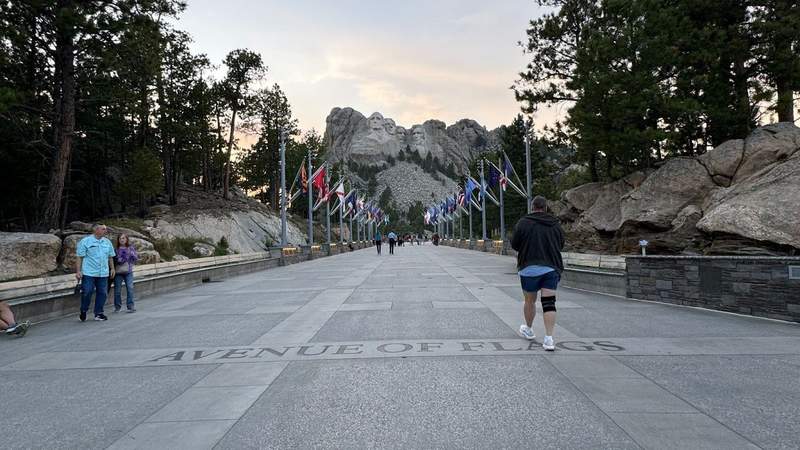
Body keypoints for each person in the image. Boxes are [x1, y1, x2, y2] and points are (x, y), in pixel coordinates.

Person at [510, 196, 565, 351]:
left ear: (532, 207)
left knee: (530, 301)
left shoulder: (523, 223)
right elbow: (561, 244)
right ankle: (549, 339)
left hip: (529, 268)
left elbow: (515, 245)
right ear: (546, 208)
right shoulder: (555, 224)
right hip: (550, 267)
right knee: (549, 303)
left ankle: (528, 328)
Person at [76, 224, 116, 322]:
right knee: (87, 292)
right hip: (89, 273)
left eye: (105, 229)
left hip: (103, 273)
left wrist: (112, 268)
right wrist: (78, 271)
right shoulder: (85, 241)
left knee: (103, 293)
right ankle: (83, 310)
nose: (105, 231)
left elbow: (110, 256)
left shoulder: (107, 242)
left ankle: (99, 313)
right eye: (103, 229)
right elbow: (79, 257)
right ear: (96, 230)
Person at [113, 234, 138, 313]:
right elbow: (115, 260)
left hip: (128, 271)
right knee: (117, 290)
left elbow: (135, 259)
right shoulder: (115, 249)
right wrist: (121, 258)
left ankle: (130, 306)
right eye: (120, 238)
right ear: (118, 240)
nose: (122, 240)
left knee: (130, 288)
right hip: (118, 272)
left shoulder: (130, 248)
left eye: (123, 238)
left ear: (127, 239)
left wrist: (132, 255)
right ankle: (117, 307)